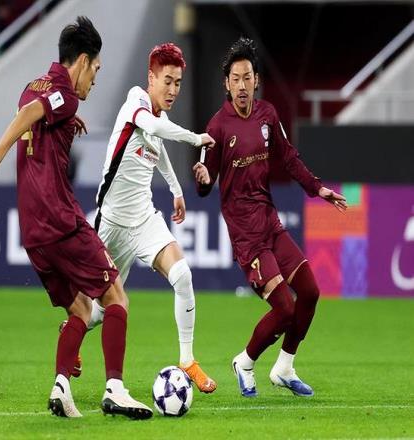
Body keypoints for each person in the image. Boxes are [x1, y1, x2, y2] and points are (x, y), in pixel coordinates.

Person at [0, 16, 152, 420]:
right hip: (61, 220)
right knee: (116, 297)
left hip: (32, 231)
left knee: (81, 310)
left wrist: (66, 120)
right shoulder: (64, 95)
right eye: (95, 69)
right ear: (82, 61)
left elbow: (35, 108)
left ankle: (61, 388)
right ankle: (116, 389)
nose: (95, 79)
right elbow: (34, 113)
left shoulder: (33, 85)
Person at [193, 37, 347, 398]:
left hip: (270, 221)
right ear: (226, 84)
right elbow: (204, 181)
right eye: (235, 79)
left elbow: (289, 157)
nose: (242, 85)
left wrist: (318, 189)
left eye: (247, 77)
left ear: (256, 80)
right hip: (246, 234)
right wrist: (202, 179)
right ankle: (245, 362)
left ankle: (284, 367)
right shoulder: (216, 127)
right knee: (284, 308)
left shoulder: (268, 115)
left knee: (310, 291)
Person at [88, 43, 217, 393]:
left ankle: (187, 359)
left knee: (183, 275)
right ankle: (73, 335)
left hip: (144, 219)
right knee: (99, 310)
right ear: (151, 78)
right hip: (111, 223)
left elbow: (158, 150)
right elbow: (155, 130)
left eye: (178, 83)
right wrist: (195, 138)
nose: (173, 89)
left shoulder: (160, 118)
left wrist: (176, 190)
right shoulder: (136, 102)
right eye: (168, 81)